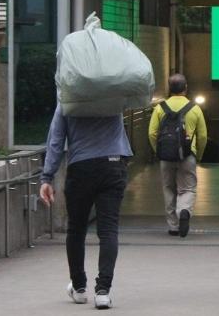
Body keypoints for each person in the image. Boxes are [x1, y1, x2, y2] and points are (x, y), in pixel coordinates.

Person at [39, 104, 133, 310]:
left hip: (81, 167)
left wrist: (47, 176)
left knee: (76, 229)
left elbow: (56, 140)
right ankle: (103, 291)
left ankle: (79, 288)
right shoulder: (112, 92)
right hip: (113, 164)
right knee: (108, 230)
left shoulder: (68, 98)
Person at [148, 74, 208, 237]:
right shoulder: (194, 108)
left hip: (166, 156)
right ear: (185, 87)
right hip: (187, 155)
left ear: (169, 88)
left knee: (168, 188)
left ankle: (173, 226)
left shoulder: (160, 108)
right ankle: (184, 211)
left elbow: (152, 133)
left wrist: (158, 151)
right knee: (187, 188)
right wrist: (198, 154)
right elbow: (202, 135)